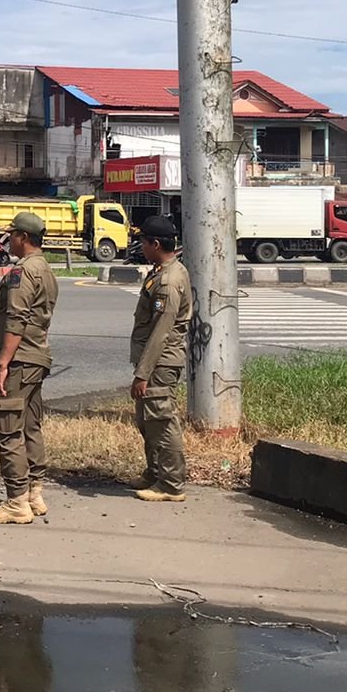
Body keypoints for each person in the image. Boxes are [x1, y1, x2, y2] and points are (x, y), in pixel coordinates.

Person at [0, 211, 59, 525]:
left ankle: (16, 502)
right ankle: (34, 493)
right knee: (30, 426)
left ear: (23, 238)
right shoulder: (46, 269)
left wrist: (2, 364)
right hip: (36, 357)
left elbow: (16, 320)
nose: (8, 240)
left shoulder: (22, 272)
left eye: (12, 235)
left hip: (19, 360)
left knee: (9, 429)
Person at [127, 215, 194, 503]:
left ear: (156, 244)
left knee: (162, 421)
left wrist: (142, 373)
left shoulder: (168, 281)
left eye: (143, 242)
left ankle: (171, 483)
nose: (140, 246)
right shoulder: (162, 270)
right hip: (153, 360)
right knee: (148, 421)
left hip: (160, 362)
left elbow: (161, 332)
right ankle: (155, 472)